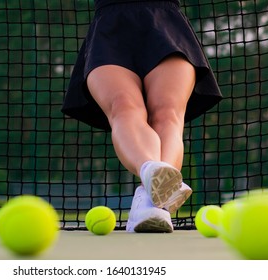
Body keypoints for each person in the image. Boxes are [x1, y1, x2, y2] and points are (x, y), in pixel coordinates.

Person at [62, 0, 222, 233]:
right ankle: (152, 181)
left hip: (166, 22)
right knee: (124, 106)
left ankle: (150, 202)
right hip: (110, 25)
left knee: (168, 114)